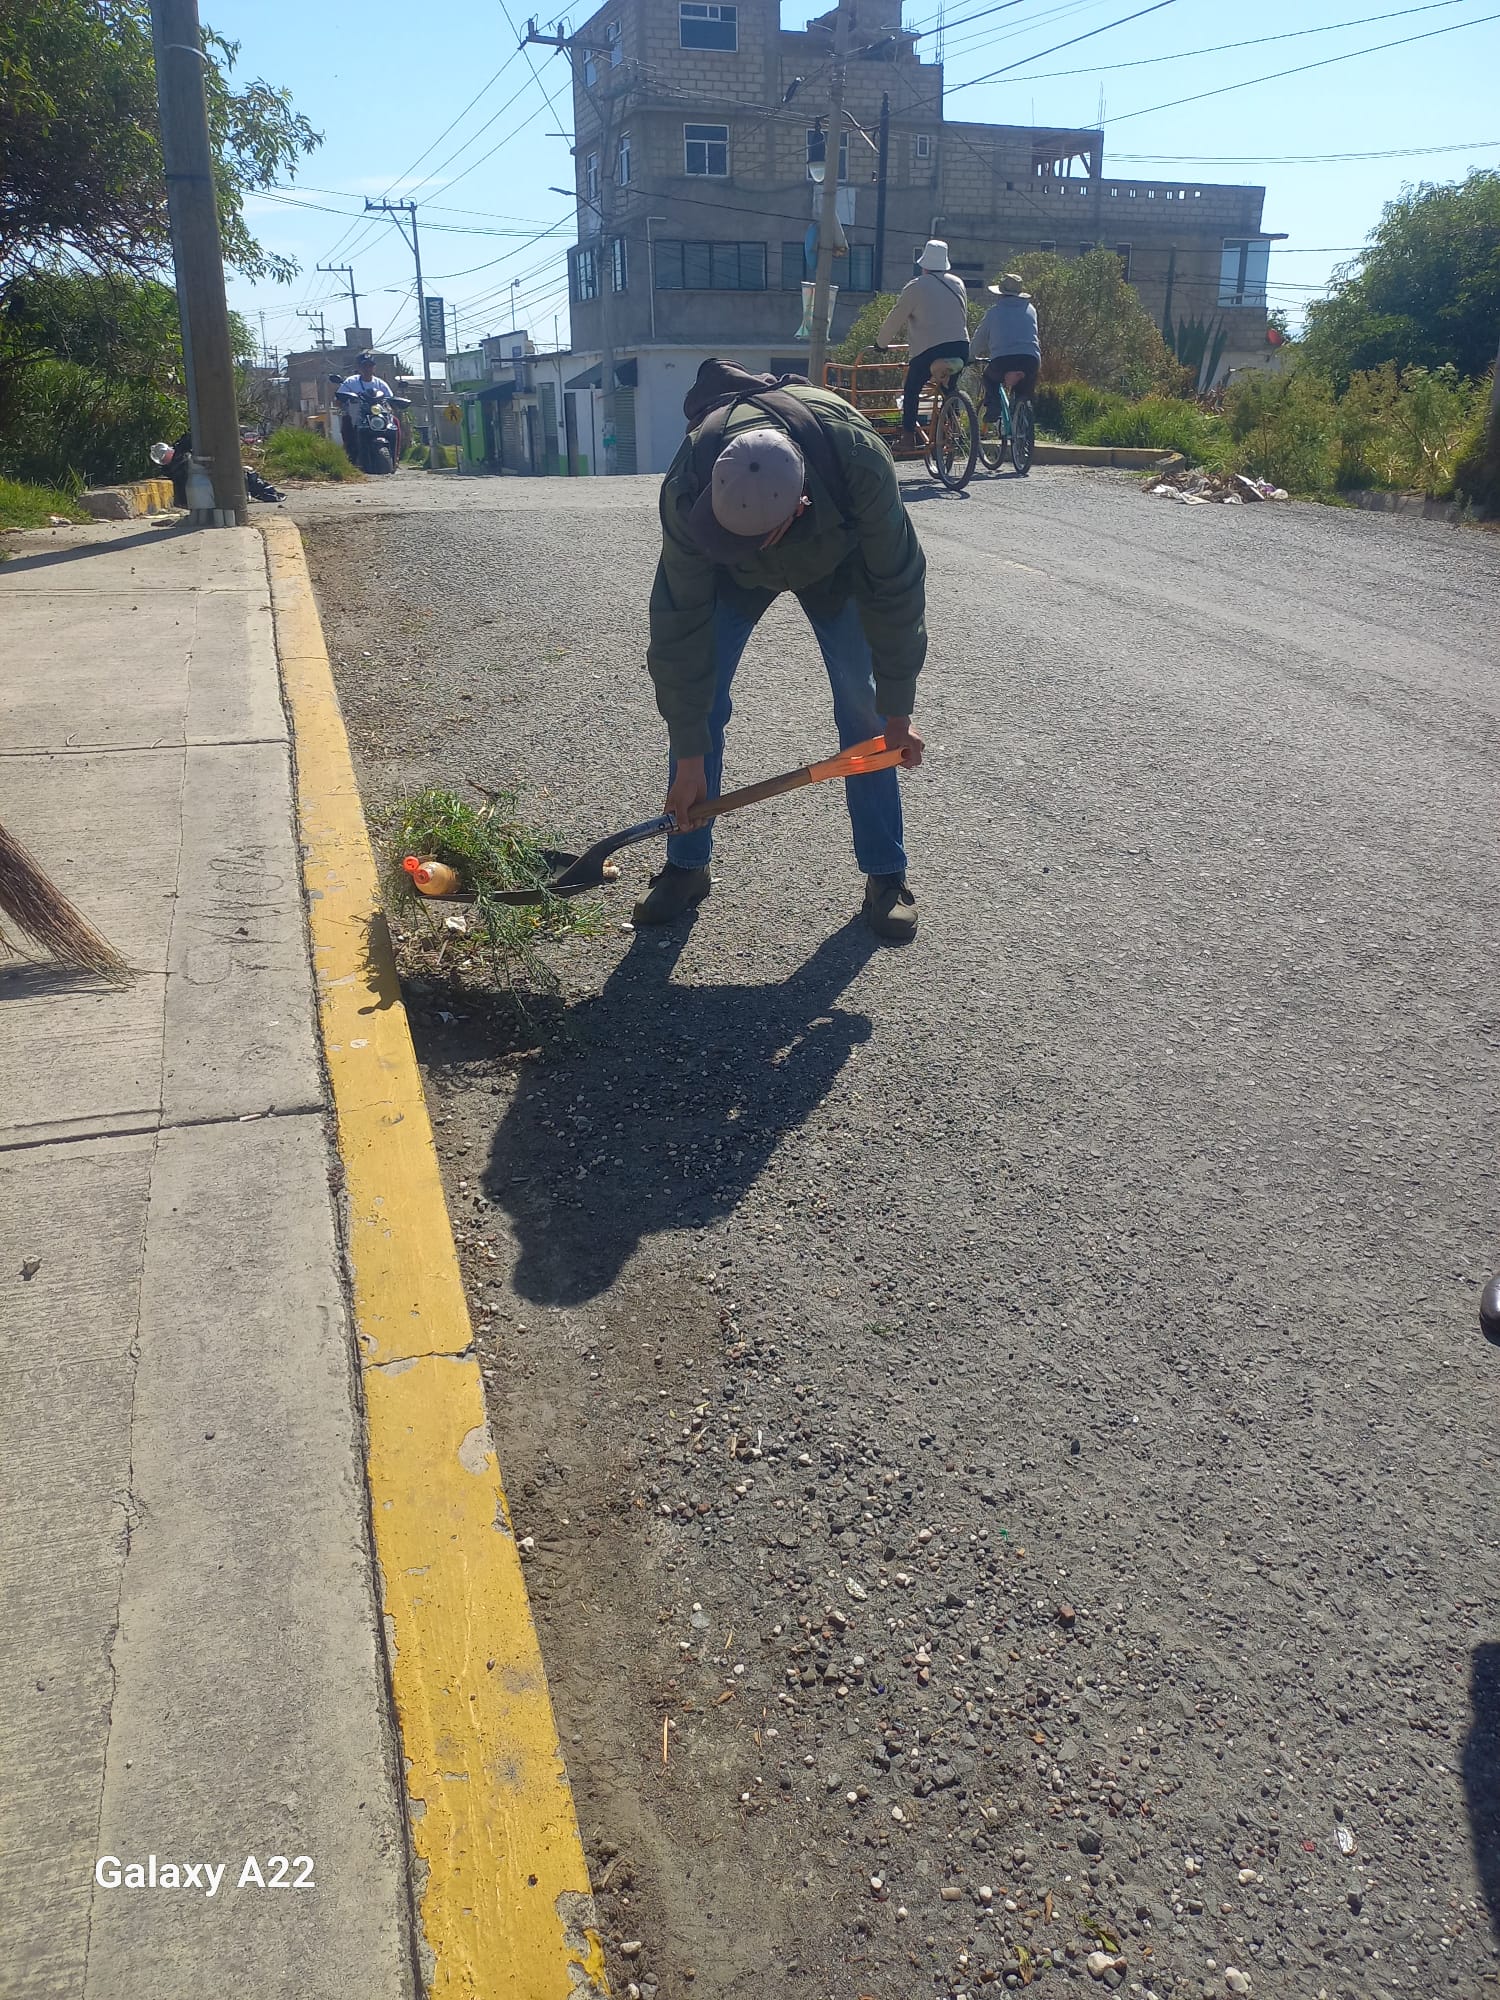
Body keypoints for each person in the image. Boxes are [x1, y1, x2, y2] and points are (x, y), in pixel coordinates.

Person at [643, 359, 928, 942]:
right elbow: (679, 627)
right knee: (704, 700)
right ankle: (686, 863)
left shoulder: (858, 460)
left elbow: (896, 589)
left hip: (837, 566)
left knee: (862, 708)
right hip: (734, 579)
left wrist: (897, 714)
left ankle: (885, 875)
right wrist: (689, 755)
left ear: (796, 508)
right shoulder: (692, 480)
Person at [876, 240, 971, 452]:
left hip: (930, 350)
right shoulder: (958, 283)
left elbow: (896, 316)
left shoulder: (916, 286)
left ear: (924, 265)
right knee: (949, 387)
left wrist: (881, 343)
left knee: (912, 388)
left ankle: (908, 437)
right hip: (961, 347)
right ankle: (956, 432)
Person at [971, 273, 1040, 428]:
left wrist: (970, 356)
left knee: (989, 379)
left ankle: (994, 407)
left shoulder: (994, 312)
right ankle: (1024, 425)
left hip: (1003, 361)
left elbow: (980, 338)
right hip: (1031, 360)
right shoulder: (1031, 309)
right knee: (1024, 393)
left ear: (1001, 295)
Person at [334, 351, 394, 462]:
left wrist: (391, 405)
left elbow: (390, 399)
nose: (367, 369)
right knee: (346, 423)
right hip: (358, 417)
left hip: (377, 416)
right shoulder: (350, 382)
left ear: (374, 367)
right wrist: (346, 399)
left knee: (395, 425)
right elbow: (338, 401)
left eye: (370, 366)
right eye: (364, 366)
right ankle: (351, 456)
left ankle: (396, 456)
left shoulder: (380, 384)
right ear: (358, 367)